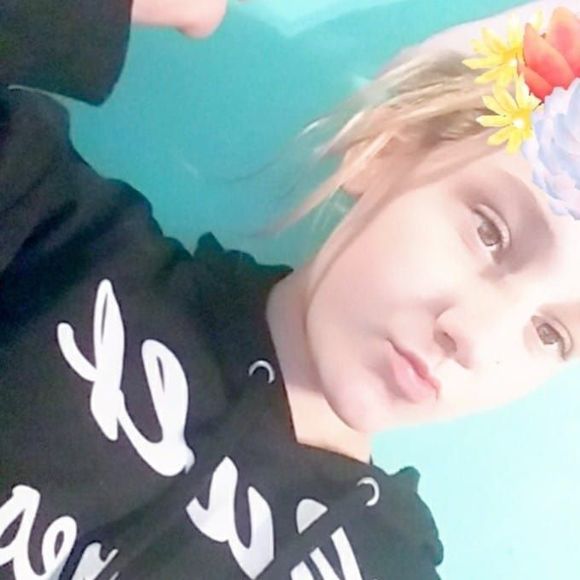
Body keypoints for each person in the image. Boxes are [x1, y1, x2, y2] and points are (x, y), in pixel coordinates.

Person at [0, 1, 577, 579]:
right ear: (386, 149)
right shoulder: (60, 240)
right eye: (490, 233)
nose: (477, 340)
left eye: (552, 333)